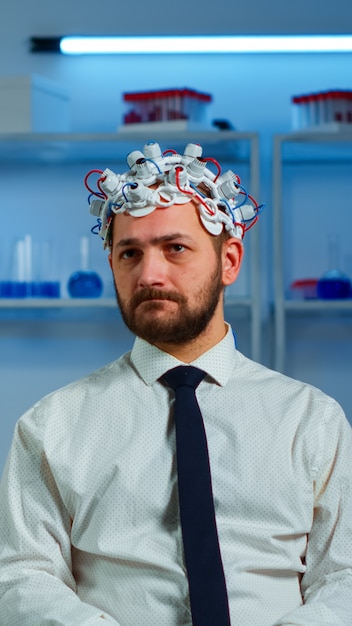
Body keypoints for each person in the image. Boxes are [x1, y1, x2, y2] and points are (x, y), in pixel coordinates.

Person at [0, 141, 352, 626]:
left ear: (229, 261)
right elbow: (21, 577)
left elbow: (344, 576)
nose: (150, 274)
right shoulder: (51, 426)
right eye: (130, 253)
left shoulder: (311, 419)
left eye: (175, 248)